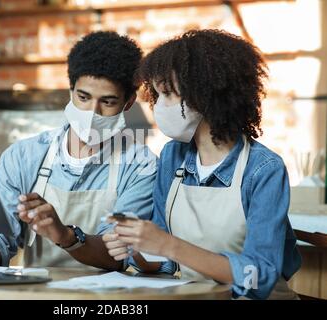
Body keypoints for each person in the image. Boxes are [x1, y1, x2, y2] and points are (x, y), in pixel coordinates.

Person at [103, 29, 301, 299]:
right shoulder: (172, 156)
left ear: (205, 96)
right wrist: (137, 247)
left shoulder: (263, 169)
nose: (158, 105)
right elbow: (167, 264)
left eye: (168, 94)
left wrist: (169, 245)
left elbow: (260, 276)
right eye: (156, 94)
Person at [0, 31, 157, 270]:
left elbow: (118, 253)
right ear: (70, 91)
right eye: (83, 97)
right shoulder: (24, 157)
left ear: (128, 102)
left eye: (107, 102)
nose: (92, 112)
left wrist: (65, 236)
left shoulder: (141, 166)